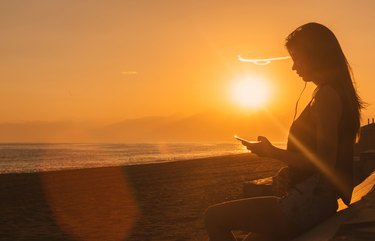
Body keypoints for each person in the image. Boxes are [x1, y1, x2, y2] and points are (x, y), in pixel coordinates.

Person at [204, 22, 364, 241]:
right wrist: (288, 172)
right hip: (312, 200)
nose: (294, 67)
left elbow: (324, 162)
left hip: (308, 204)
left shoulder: (327, 96)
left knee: (213, 217)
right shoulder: (331, 92)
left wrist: (273, 153)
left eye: (297, 58)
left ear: (316, 55)